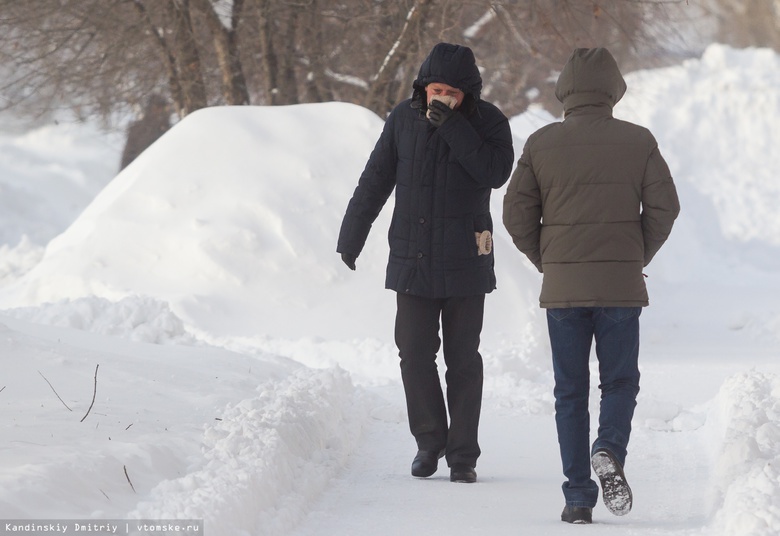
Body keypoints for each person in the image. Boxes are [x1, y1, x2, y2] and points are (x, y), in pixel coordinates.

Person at [502, 48, 679, 523]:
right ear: (613, 90)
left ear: (565, 91)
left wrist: (549, 260)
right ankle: (609, 447)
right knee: (620, 381)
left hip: (564, 288)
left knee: (570, 391)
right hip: (620, 285)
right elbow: (666, 209)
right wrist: (635, 256)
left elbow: (515, 214)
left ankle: (579, 497)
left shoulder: (540, 143)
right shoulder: (639, 141)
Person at [337, 42, 514, 483]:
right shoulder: (402, 119)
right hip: (412, 258)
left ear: (467, 93)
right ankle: (429, 441)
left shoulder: (488, 122)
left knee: (463, 360)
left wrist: (454, 126)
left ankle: (463, 456)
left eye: (452, 93)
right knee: (413, 354)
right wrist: (351, 234)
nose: (443, 98)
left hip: (466, 262)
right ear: (424, 86)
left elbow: (495, 172)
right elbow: (375, 178)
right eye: (436, 89)